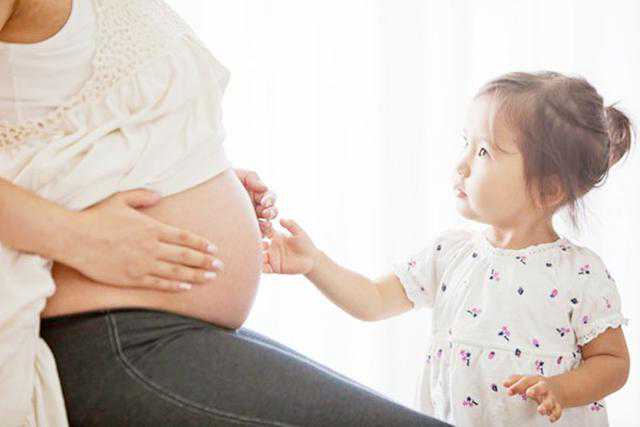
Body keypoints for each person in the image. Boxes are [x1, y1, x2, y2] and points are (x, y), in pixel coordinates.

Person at [1, 0, 450, 425]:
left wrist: (185, 170)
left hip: (152, 330)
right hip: (112, 336)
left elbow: (71, 127)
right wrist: (80, 237)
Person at [263, 71, 632, 426]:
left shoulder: (579, 273)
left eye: (484, 151)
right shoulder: (450, 253)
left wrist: (562, 388)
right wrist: (314, 263)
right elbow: (373, 300)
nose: (461, 165)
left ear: (548, 189)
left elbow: (612, 361)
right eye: (465, 143)